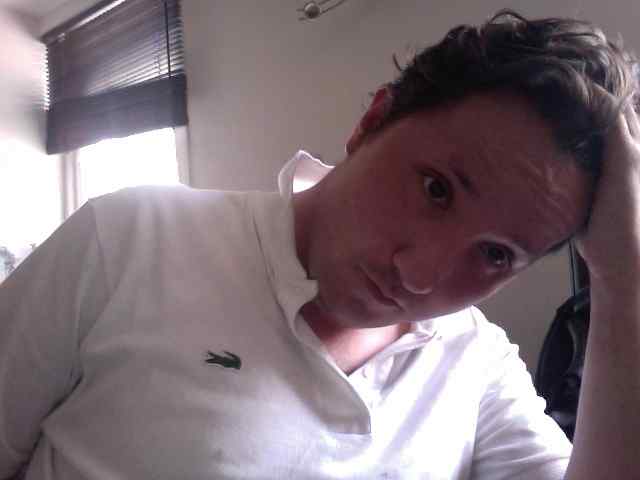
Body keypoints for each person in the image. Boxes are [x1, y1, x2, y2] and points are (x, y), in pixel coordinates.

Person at [1, 9, 639, 480]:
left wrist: (625, 280)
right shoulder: (129, 238)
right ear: (372, 121)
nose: (420, 276)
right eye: (436, 189)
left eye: (496, 254)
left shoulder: (476, 360)